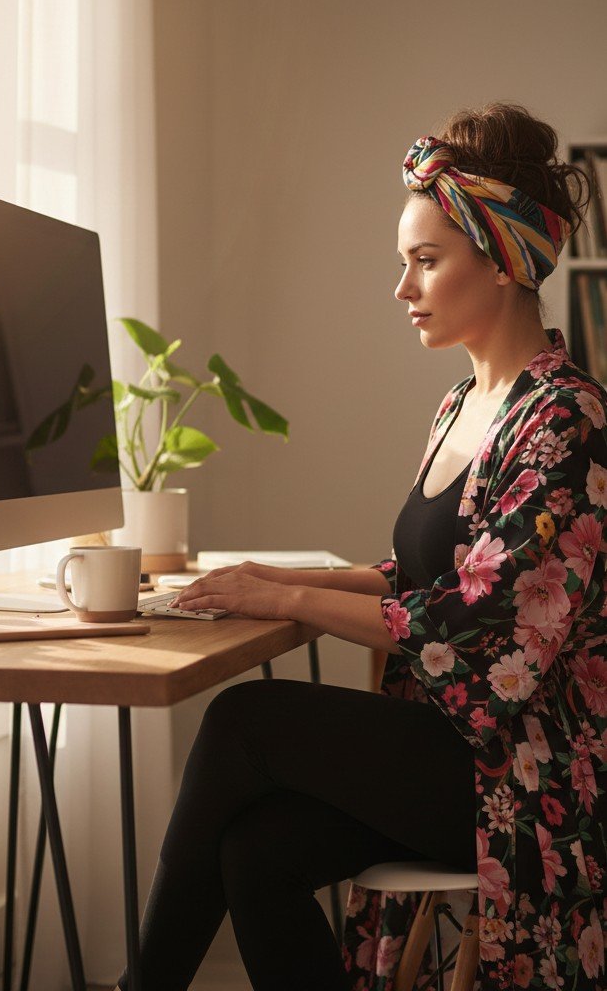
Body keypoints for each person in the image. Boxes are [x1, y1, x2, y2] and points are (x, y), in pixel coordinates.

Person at [115, 103, 606, 991]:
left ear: (502, 260)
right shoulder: (462, 405)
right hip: (454, 747)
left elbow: (485, 633)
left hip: (526, 774)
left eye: (426, 261)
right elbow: (425, 578)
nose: (402, 287)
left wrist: (288, 601)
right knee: (255, 852)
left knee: (243, 721)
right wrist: (278, 577)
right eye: (403, 262)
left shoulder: (566, 418)